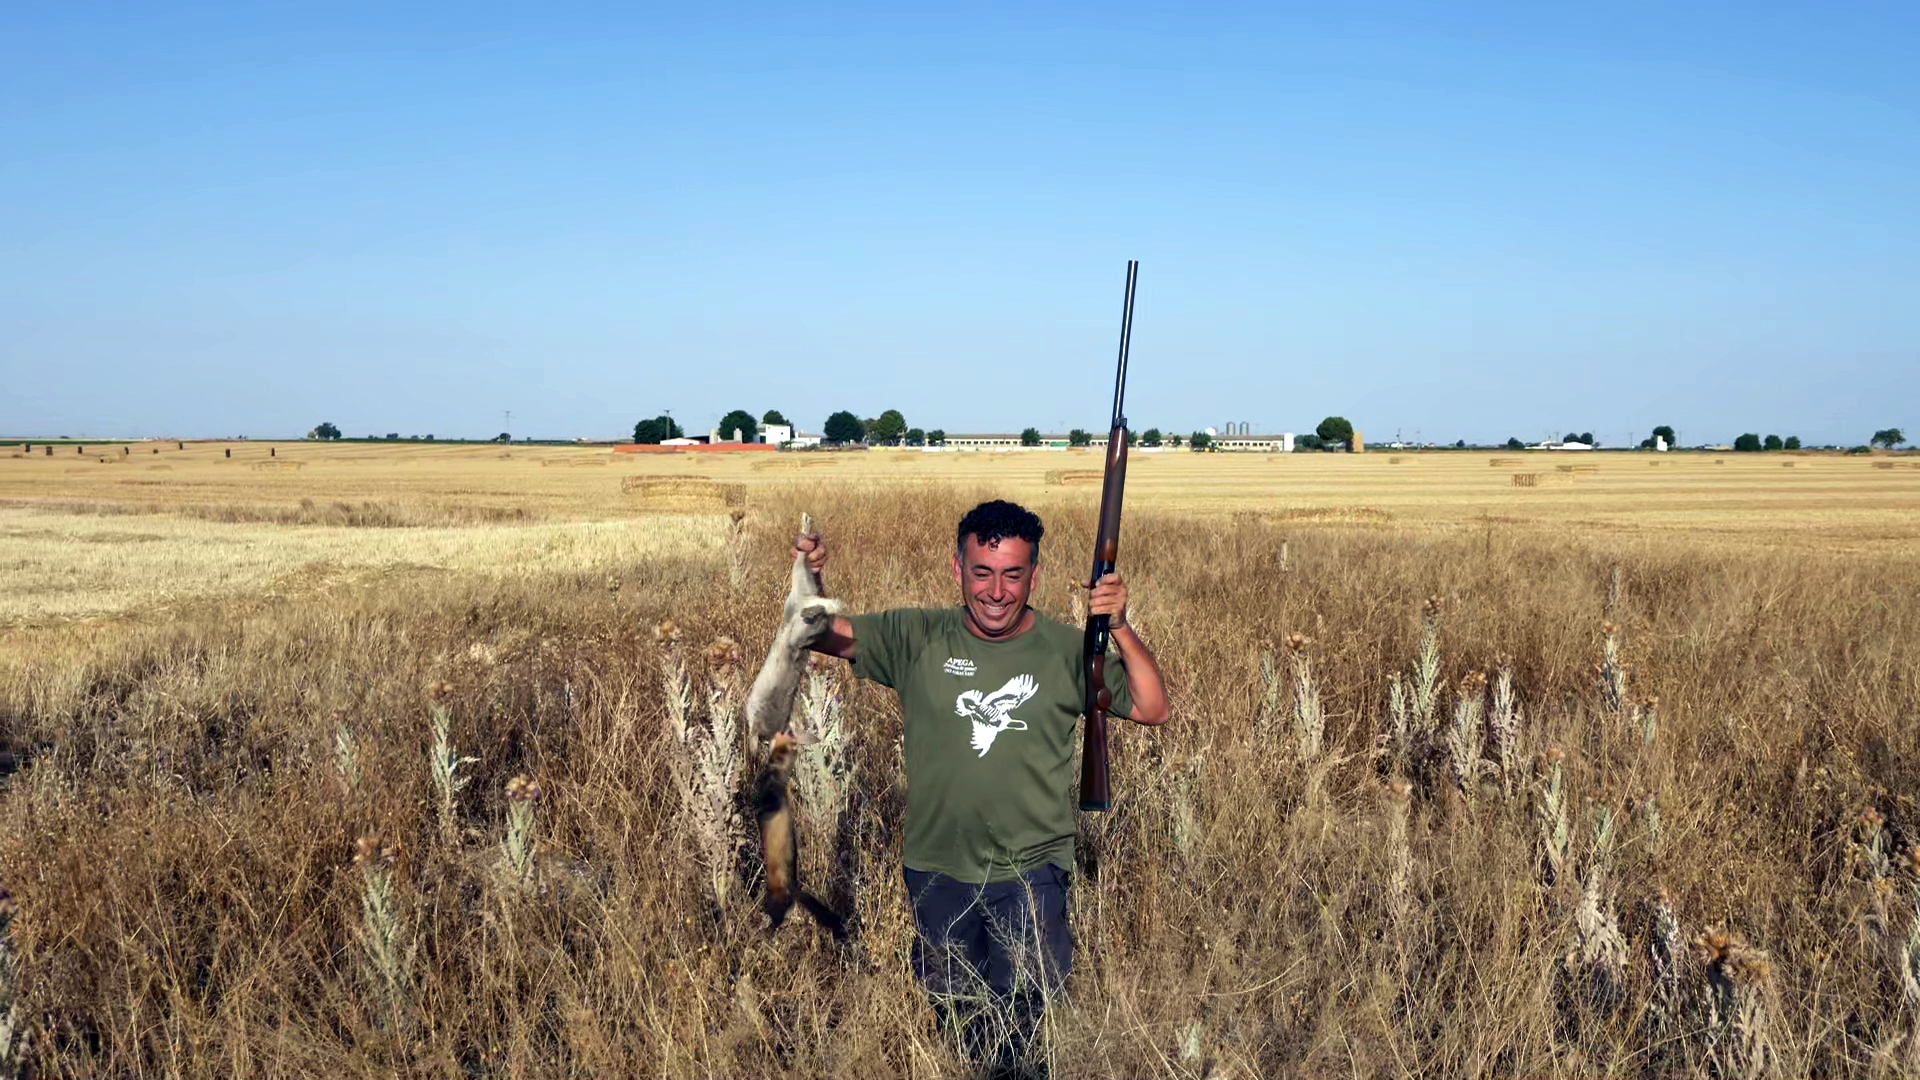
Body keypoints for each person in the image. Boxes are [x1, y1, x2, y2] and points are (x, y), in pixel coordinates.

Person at [796, 499, 1169, 1078]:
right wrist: (812, 579)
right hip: (937, 870)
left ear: (1034, 576)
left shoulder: (1067, 649)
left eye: (1013, 574)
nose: (997, 591)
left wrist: (1117, 624)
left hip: (1031, 874)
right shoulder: (917, 635)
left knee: (1026, 1034)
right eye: (982, 572)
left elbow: (1151, 705)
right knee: (960, 1024)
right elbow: (818, 633)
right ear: (957, 570)